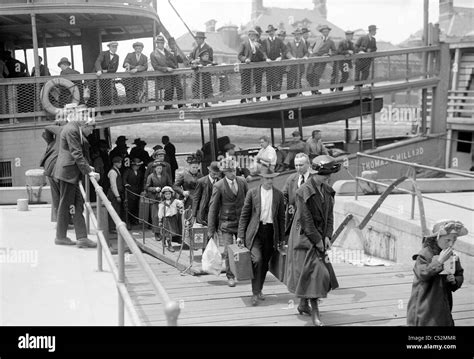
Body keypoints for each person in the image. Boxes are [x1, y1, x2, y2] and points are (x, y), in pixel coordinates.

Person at [284, 155, 341, 326]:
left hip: (319, 237)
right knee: (316, 274)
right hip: (304, 238)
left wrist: (327, 237)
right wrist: (317, 241)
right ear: (316, 173)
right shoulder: (303, 192)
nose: (328, 178)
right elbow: (306, 220)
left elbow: (330, 216)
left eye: (329, 175)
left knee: (308, 274)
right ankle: (315, 313)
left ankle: (303, 304)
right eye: (325, 175)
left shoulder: (328, 190)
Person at [237, 165, 285, 306]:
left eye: (271, 179)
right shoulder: (252, 193)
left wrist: (281, 239)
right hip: (255, 232)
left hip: (271, 233)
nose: (269, 181)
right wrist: (240, 235)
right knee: (257, 259)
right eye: (267, 178)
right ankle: (254, 292)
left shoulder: (278, 195)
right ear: (261, 178)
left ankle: (259, 290)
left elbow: (281, 219)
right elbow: (244, 215)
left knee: (264, 263)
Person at [53, 104, 99, 248]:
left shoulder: (73, 128)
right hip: (68, 173)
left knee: (77, 205)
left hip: (71, 173)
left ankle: (82, 237)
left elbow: (77, 154)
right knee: (66, 205)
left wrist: (86, 167)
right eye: (84, 115)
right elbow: (76, 153)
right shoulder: (72, 129)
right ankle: (61, 237)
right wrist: (89, 171)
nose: (86, 117)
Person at [407, 220, 467, 326]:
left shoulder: (451, 255)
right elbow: (422, 274)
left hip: (443, 304)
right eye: (447, 240)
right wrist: (439, 261)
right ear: (437, 238)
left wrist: (454, 280)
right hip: (425, 304)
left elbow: (459, 274)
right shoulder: (425, 254)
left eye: (454, 240)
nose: (451, 244)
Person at [207, 158, 249, 287]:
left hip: (242, 223)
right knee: (227, 250)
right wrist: (211, 229)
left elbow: (249, 202)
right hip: (226, 224)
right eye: (230, 171)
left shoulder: (242, 182)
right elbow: (213, 208)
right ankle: (230, 276)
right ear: (225, 172)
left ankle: (244, 273)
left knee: (244, 249)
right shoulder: (218, 186)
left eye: (234, 170)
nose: (233, 173)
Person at [150, 35, 184, 110]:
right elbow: (156, 66)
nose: (161, 44)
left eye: (162, 43)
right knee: (169, 89)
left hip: (173, 72)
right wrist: (166, 68)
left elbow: (177, 60)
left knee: (179, 88)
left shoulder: (168, 51)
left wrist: (175, 52)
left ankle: (181, 105)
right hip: (164, 74)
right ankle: (168, 106)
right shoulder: (153, 54)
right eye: (159, 43)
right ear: (156, 44)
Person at [39, 124, 64, 223]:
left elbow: (47, 128)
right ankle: (61, 221)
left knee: (57, 196)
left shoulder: (52, 143)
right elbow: (48, 127)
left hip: (50, 169)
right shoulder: (60, 136)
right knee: (61, 195)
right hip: (55, 170)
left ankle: (58, 219)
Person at [282, 153, 311, 236]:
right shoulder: (291, 179)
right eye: (296, 165)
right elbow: (284, 196)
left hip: (310, 220)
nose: (298, 168)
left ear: (308, 164)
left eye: (301, 165)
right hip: (293, 219)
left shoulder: (314, 179)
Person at [238, 29, 266, 103]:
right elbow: (240, 55)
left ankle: (257, 98)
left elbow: (263, 56)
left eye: (255, 35)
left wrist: (257, 48)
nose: (253, 37)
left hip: (257, 67)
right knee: (246, 83)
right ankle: (245, 99)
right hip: (247, 67)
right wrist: (245, 59)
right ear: (249, 36)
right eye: (252, 35)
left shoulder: (258, 44)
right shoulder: (244, 44)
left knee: (258, 83)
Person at [307, 25, 336, 95]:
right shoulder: (317, 39)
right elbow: (310, 48)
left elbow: (334, 51)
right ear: (321, 32)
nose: (325, 32)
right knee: (309, 75)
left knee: (317, 74)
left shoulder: (330, 41)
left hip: (322, 60)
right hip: (313, 59)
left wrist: (328, 54)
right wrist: (311, 52)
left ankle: (316, 90)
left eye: (327, 31)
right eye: (324, 31)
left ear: (329, 32)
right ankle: (313, 90)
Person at [146, 163, 172, 240]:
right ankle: (156, 233)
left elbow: (170, 184)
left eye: (160, 168)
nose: (159, 170)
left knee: (165, 214)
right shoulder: (150, 176)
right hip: (155, 198)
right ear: (154, 169)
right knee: (155, 216)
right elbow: (147, 187)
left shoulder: (166, 175)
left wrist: (167, 190)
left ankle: (165, 232)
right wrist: (154, 189)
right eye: (158, 168)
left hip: (164, 197)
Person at [192, 161, 221, 226]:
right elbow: (196, 198)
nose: (215, 176)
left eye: (217, 174)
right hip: (204, 211)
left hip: (216, 212)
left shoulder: (221, 182)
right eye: (214, 174)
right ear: (209, 171)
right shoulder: (201, 181)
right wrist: (194, 214)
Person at [262, 25, 287, 100]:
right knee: (269, 81)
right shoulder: (265, 41)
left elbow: (285, 50)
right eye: (269, 32)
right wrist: (266, 58)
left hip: (277, 65)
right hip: (269, 65)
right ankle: (268, 97)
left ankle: (276, 96)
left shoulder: (279, 41)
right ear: (268, 33)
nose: (271, 33)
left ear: (274, 32)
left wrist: (281, 57)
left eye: (272, 31)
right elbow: (263, 52)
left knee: (277, 80)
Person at [123, 42, 148, 110]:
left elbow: (145, 67)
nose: (138, 50)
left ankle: (137, 107)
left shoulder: (144, 57)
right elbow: (125, 64)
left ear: (142, 49)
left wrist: (136, 69)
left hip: (139, 79)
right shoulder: (129, 55)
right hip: (130, 78)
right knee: (129, 92)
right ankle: (130, 108)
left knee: (138, 92)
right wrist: (128, 65)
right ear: (134, 49)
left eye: (139, 48)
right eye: (136, 48)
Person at [158, 186, 184, 252]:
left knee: (172, 232)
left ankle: (164, 241)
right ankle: (169, 245)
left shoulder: (174, 201)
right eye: (166, 194)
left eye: (169, 194)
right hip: (166, 219)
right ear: (164, 195)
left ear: (171, 194)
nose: (168, 195)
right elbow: (160, 212)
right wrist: (160, 220)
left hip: (173, 218)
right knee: (168, 232)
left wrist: (180, 207)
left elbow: (180, 203)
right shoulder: (162, 203)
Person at [94, 41, 120, 109]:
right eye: (113, 47)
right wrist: (100, 70)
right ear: (109, 47)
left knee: (108, 93)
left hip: (107, 78)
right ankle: (95, 109)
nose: (114, 48)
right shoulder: (104, 53)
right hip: (98, 76)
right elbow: (98, 62)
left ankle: (107, 109)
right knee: (95, 93)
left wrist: (106, 71)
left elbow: (114, 69)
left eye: (116, 47)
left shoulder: (117, 57)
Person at [286, 29, 309, 97]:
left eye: (298, 34)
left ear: (301, 35)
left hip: (300, 65)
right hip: (292, 65)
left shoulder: (303, 43)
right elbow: (287, 52)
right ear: (294, 35)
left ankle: (298, 93)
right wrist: (291, 57)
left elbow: (306, 52)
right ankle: (290, 95)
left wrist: (305, 56)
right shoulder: (289, 43)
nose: (297, 36)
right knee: (290, 80)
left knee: (298, 79)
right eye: (296, 34)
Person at [123, 158, 145, 225]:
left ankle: (134, 220)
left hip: (137, 191)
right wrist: (125, 184)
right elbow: (124, 179)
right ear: (132, 165)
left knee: (136, 207)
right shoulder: (128, 171)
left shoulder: (140, 172)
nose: (137, 167)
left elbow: (142, 182)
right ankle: (128, 221)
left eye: (138, 166)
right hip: (129, 191)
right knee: (129, 207)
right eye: (136, 165)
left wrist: (142, 190)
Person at [107, 156, 124, 234]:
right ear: (115, 163)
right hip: (113, 194)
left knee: (116, 210)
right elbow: (113, 185)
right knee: (114, 210)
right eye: (119, 162)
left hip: (116, 193)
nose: (120, 164)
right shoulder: (113, 172)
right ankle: (112, 227)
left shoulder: (116, 171)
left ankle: (114, 226)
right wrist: (117, 195)